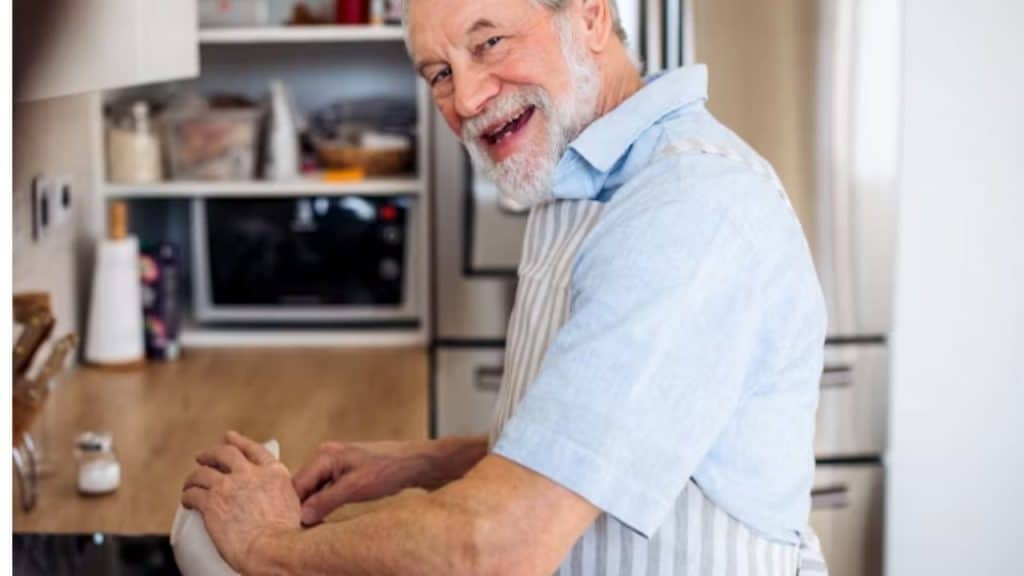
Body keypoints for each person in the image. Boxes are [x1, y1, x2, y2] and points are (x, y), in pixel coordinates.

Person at [181, 0, 829, 574]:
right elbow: (600, 436)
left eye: (489, 42)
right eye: (438, 72)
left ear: (591, 17)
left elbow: (499, 547)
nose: (464, 99)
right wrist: (424, 464)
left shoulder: (684, 208)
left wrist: (267, 547)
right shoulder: (576, 170)